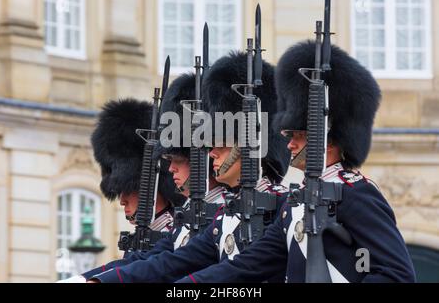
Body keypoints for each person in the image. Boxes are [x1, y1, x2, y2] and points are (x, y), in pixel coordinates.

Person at [175, 41, 416, 283]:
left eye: (299, 136)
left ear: (329, 139)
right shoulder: (295, 203)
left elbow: (397, 274)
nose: (290, 144)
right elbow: (250, 264)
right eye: (291, 136)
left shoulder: (355, 194)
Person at [86, 51, 290, 283]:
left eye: (220, 145)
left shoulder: (282, 205)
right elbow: (168, 262)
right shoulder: (223, 217)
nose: (211, 152)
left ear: (249, 144)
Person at [58, 98, 184, 282]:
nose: (121, 200)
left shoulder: (176, 230)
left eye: (128, 188)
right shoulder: (143, 235)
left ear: (150, 184)